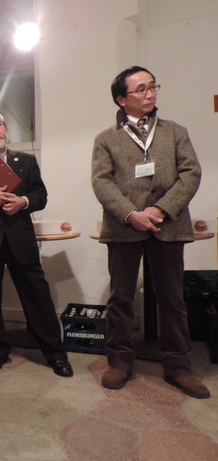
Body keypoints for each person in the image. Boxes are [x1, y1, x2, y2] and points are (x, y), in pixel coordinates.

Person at [91, 66, 209, 398]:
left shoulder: (175, 132)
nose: (150, 93)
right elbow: (102, 182)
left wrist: (160, 209)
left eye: (153, 86)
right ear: (121, 99)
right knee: (121, 298)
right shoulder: (106, 139)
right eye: (141, 89)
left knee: (172, 298)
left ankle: (178, 365)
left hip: (168, 224)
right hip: (123, 227)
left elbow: (191, 173)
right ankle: (119, 361)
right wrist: (131, 214)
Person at [0, 110, 73, 378]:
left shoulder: (27, 161)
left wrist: (24, 202)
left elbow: (40, 195)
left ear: (6, 130)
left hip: (21, 237)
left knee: (38, 297)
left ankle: (55, 354)